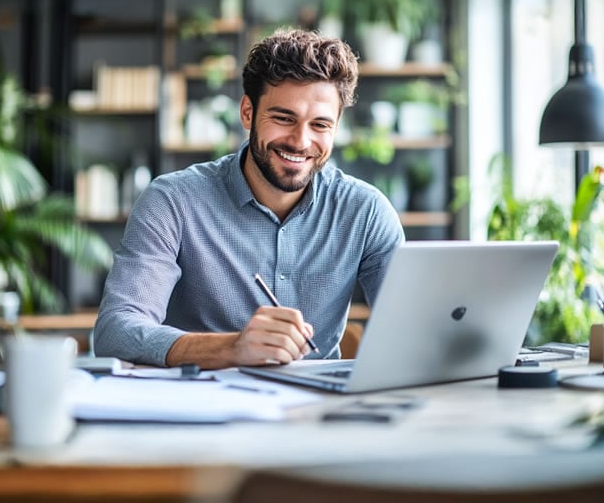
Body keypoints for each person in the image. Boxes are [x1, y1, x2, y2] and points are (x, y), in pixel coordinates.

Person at [93, 28, 404, 368]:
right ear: (247, 113)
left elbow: (414, 330)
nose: (300, 141)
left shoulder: (366, 212)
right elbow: (115, 332)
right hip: (201, 408)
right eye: (284, 118)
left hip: (319, 411)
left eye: (320, 125)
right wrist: (230, 348)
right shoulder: (173, 202)